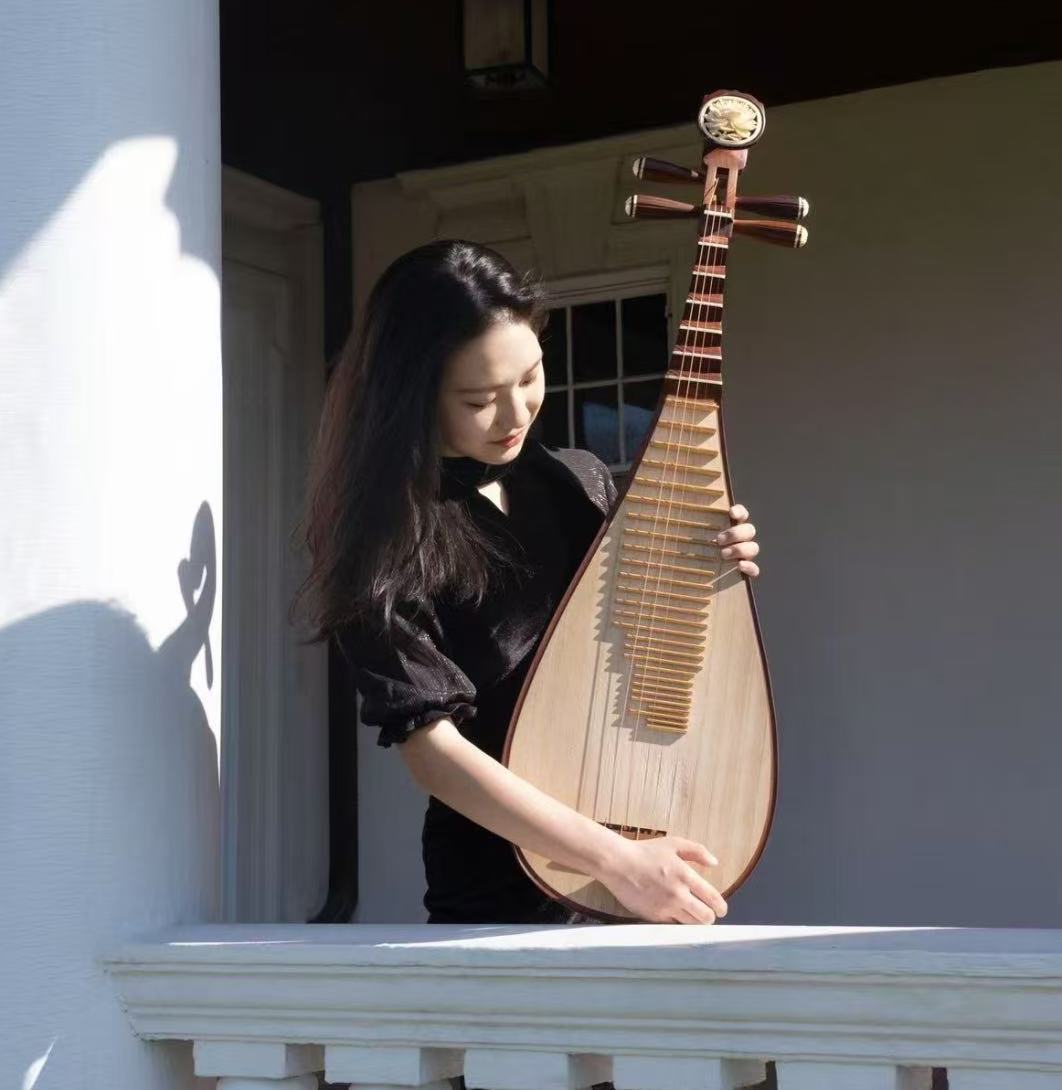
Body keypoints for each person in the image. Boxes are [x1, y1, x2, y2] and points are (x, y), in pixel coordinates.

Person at [290, 239, 762, 926]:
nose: (516, 415)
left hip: (650, 862)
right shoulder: (382, 536)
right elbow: (433, 751)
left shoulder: (582, 482)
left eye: (531, 377)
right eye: (479, 399)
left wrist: (716, 561)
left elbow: (649, 639)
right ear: (412, 394)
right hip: (499, 892)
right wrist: (615, 861)